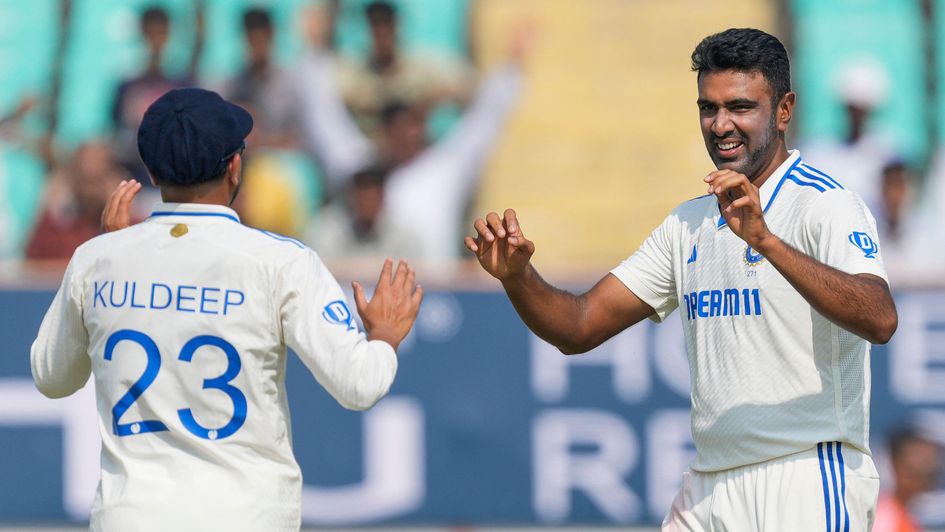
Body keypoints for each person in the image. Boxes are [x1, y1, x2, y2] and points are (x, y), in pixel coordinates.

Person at [466, 28, 898, 531]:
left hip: (804, 477)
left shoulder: (824, 203)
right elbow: (579, 325)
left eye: (740, 107)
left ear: (784, 110)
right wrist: (519, 278)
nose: (721, 125)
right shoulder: (688, 223)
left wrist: (767, 242)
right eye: (708, 108)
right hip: (710, 484)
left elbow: (880, 317)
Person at [30, 88, 423, 531]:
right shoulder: (282, 263)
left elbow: (52, 377)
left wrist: (113, 254)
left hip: (131, 518)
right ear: (235, 167)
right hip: (245, 517)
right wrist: (384, 336)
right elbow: (360, 384)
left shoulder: (96, 259)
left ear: (154, 174)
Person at [874, 427, 942, 532]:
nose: (929, 467)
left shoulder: (905, 515)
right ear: (896, 464)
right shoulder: (884, 518)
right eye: (919, 456)